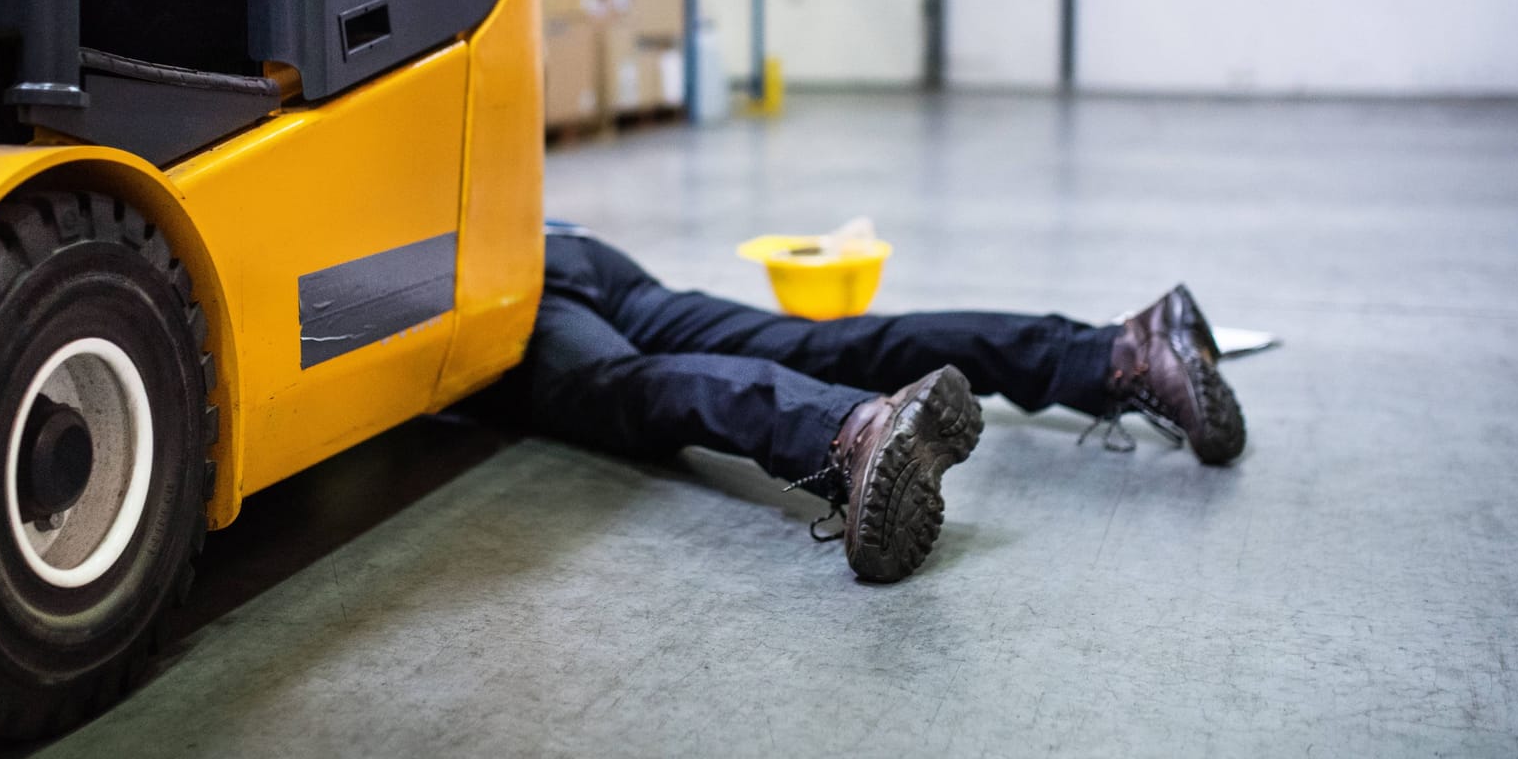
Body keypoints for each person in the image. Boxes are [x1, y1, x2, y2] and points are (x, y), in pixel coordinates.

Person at [477, 225, 1247, 583]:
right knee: (824, 343)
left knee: (631, 390)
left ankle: (853, 430)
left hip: (478, 278)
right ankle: (1123, 352)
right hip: (561, 239)